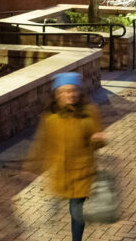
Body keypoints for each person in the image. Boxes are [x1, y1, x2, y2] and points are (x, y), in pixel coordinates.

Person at [25, 72, 106, 241]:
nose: (70, 95)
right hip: (61, 172)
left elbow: (98, 139)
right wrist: (31, 166)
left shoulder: (89, 112)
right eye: (66, 91)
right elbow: (42, 142)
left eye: (73, 90)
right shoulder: (51, 117)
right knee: (67, 207)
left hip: (82, 172)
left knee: (76, 212)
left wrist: (98, 140)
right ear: (57, 94)